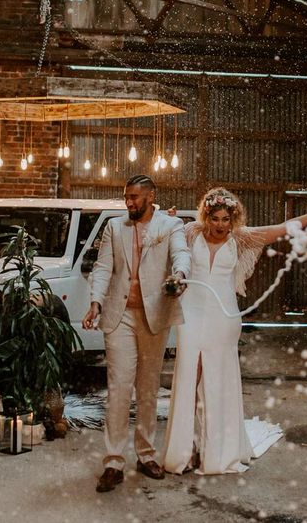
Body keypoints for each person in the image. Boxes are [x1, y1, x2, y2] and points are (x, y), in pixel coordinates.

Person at [162, 188, 307, 476]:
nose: (220, 225)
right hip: (190, 315)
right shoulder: (190, 232)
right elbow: (163, 239)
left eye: (225, 219)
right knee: (187, 379)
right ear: (206, 216)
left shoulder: (241, 238)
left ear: (233, 219)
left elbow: (282, 229)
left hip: (223, 317)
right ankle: (186, 450)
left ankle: (217, 451)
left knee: (217, 382)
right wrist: (165, 220)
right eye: (215, 218)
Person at [83, 174, 191, 493]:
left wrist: (180, 274)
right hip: (119, 317)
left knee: (147, 388)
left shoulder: (170, 226)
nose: (129, 202)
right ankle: (114, 461)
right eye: (126, 197)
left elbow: (181, 254)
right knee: (118, 388)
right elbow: (103, 268)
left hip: (153, 315)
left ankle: (146, 455)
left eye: (134, 197)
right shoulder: (115, 228)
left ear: (151, 196)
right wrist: (95, 302)